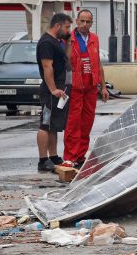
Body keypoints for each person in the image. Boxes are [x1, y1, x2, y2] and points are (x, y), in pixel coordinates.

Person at [60, 9, 108, 170]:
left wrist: (103, 86)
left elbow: (98, 64)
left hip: (91, 87)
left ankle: (80, 155)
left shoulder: (94, 39)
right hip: (75, 86)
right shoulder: (69, 39)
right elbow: (63, 61)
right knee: (74, 122)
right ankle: (70, 157)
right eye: (82, 21)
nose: (84, 24)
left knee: (87, 122)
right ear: (76, 21)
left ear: (91, 23)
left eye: (88, 22)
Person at [36, 12, 73, 173]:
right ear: (57, 26)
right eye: (66, 27)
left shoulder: (56, 42)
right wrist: (53, 89)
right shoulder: (46, 43)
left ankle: (54, 156)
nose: (68, 30)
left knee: (54, 125)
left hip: (60, 89)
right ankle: (43, 159)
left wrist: (69, 43)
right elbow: (47, 67)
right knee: (45, 124)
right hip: (52, 90)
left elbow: (66, 60)